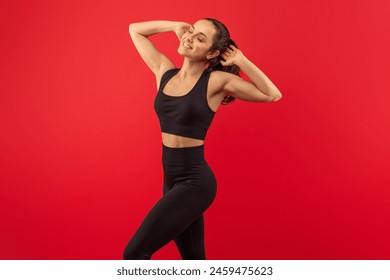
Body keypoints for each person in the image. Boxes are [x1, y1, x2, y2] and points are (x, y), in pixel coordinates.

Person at [123, 18, 282, 260]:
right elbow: (135, 30)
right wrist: (175, 26)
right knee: (194, 261)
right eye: (192, 31)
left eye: (200, 38)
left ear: (213, 53)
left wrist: (240, 60)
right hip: (172, 180)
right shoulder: (165, 72)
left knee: (134, 254)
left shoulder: (216, 82)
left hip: (195, 183)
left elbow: (272, 95)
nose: (190, 38)